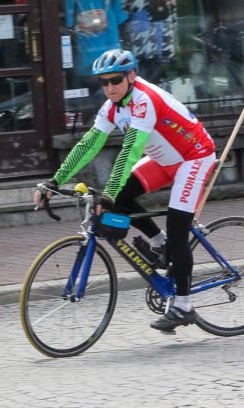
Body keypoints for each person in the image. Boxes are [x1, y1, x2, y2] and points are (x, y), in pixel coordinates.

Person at [37, 48, 217, 332]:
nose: (109, 87)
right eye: (104, 82)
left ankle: (183, 306)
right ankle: (159, 243)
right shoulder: (112, 107)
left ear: (131, 76)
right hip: (164, 160)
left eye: (115, 80)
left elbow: (130, 150)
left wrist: (108, 194)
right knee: (121, 198)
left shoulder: (145, 100)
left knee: (177, 225)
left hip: (193, 158)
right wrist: (55, 181)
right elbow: (88, 144)